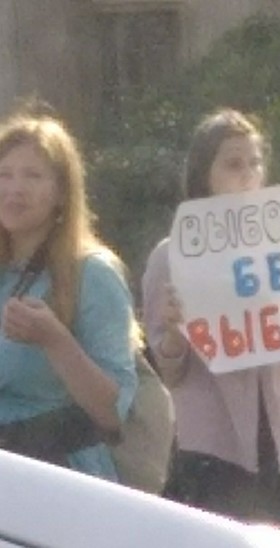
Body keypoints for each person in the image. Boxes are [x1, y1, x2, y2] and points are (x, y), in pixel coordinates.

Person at [142, 108, 280, 529]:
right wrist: (176, 337)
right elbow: (167, 370)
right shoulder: (173, 255)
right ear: (205, 175)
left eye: (255, 162)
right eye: (233, 164)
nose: (248, 174)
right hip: (210, 448)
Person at [0, 106, 139, 480]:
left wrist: (55, 340)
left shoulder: (92, 273)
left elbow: (112, 411)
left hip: (60, 479)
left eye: (32, 176)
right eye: (5, 174)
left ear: (61, 192)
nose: (14, 188)